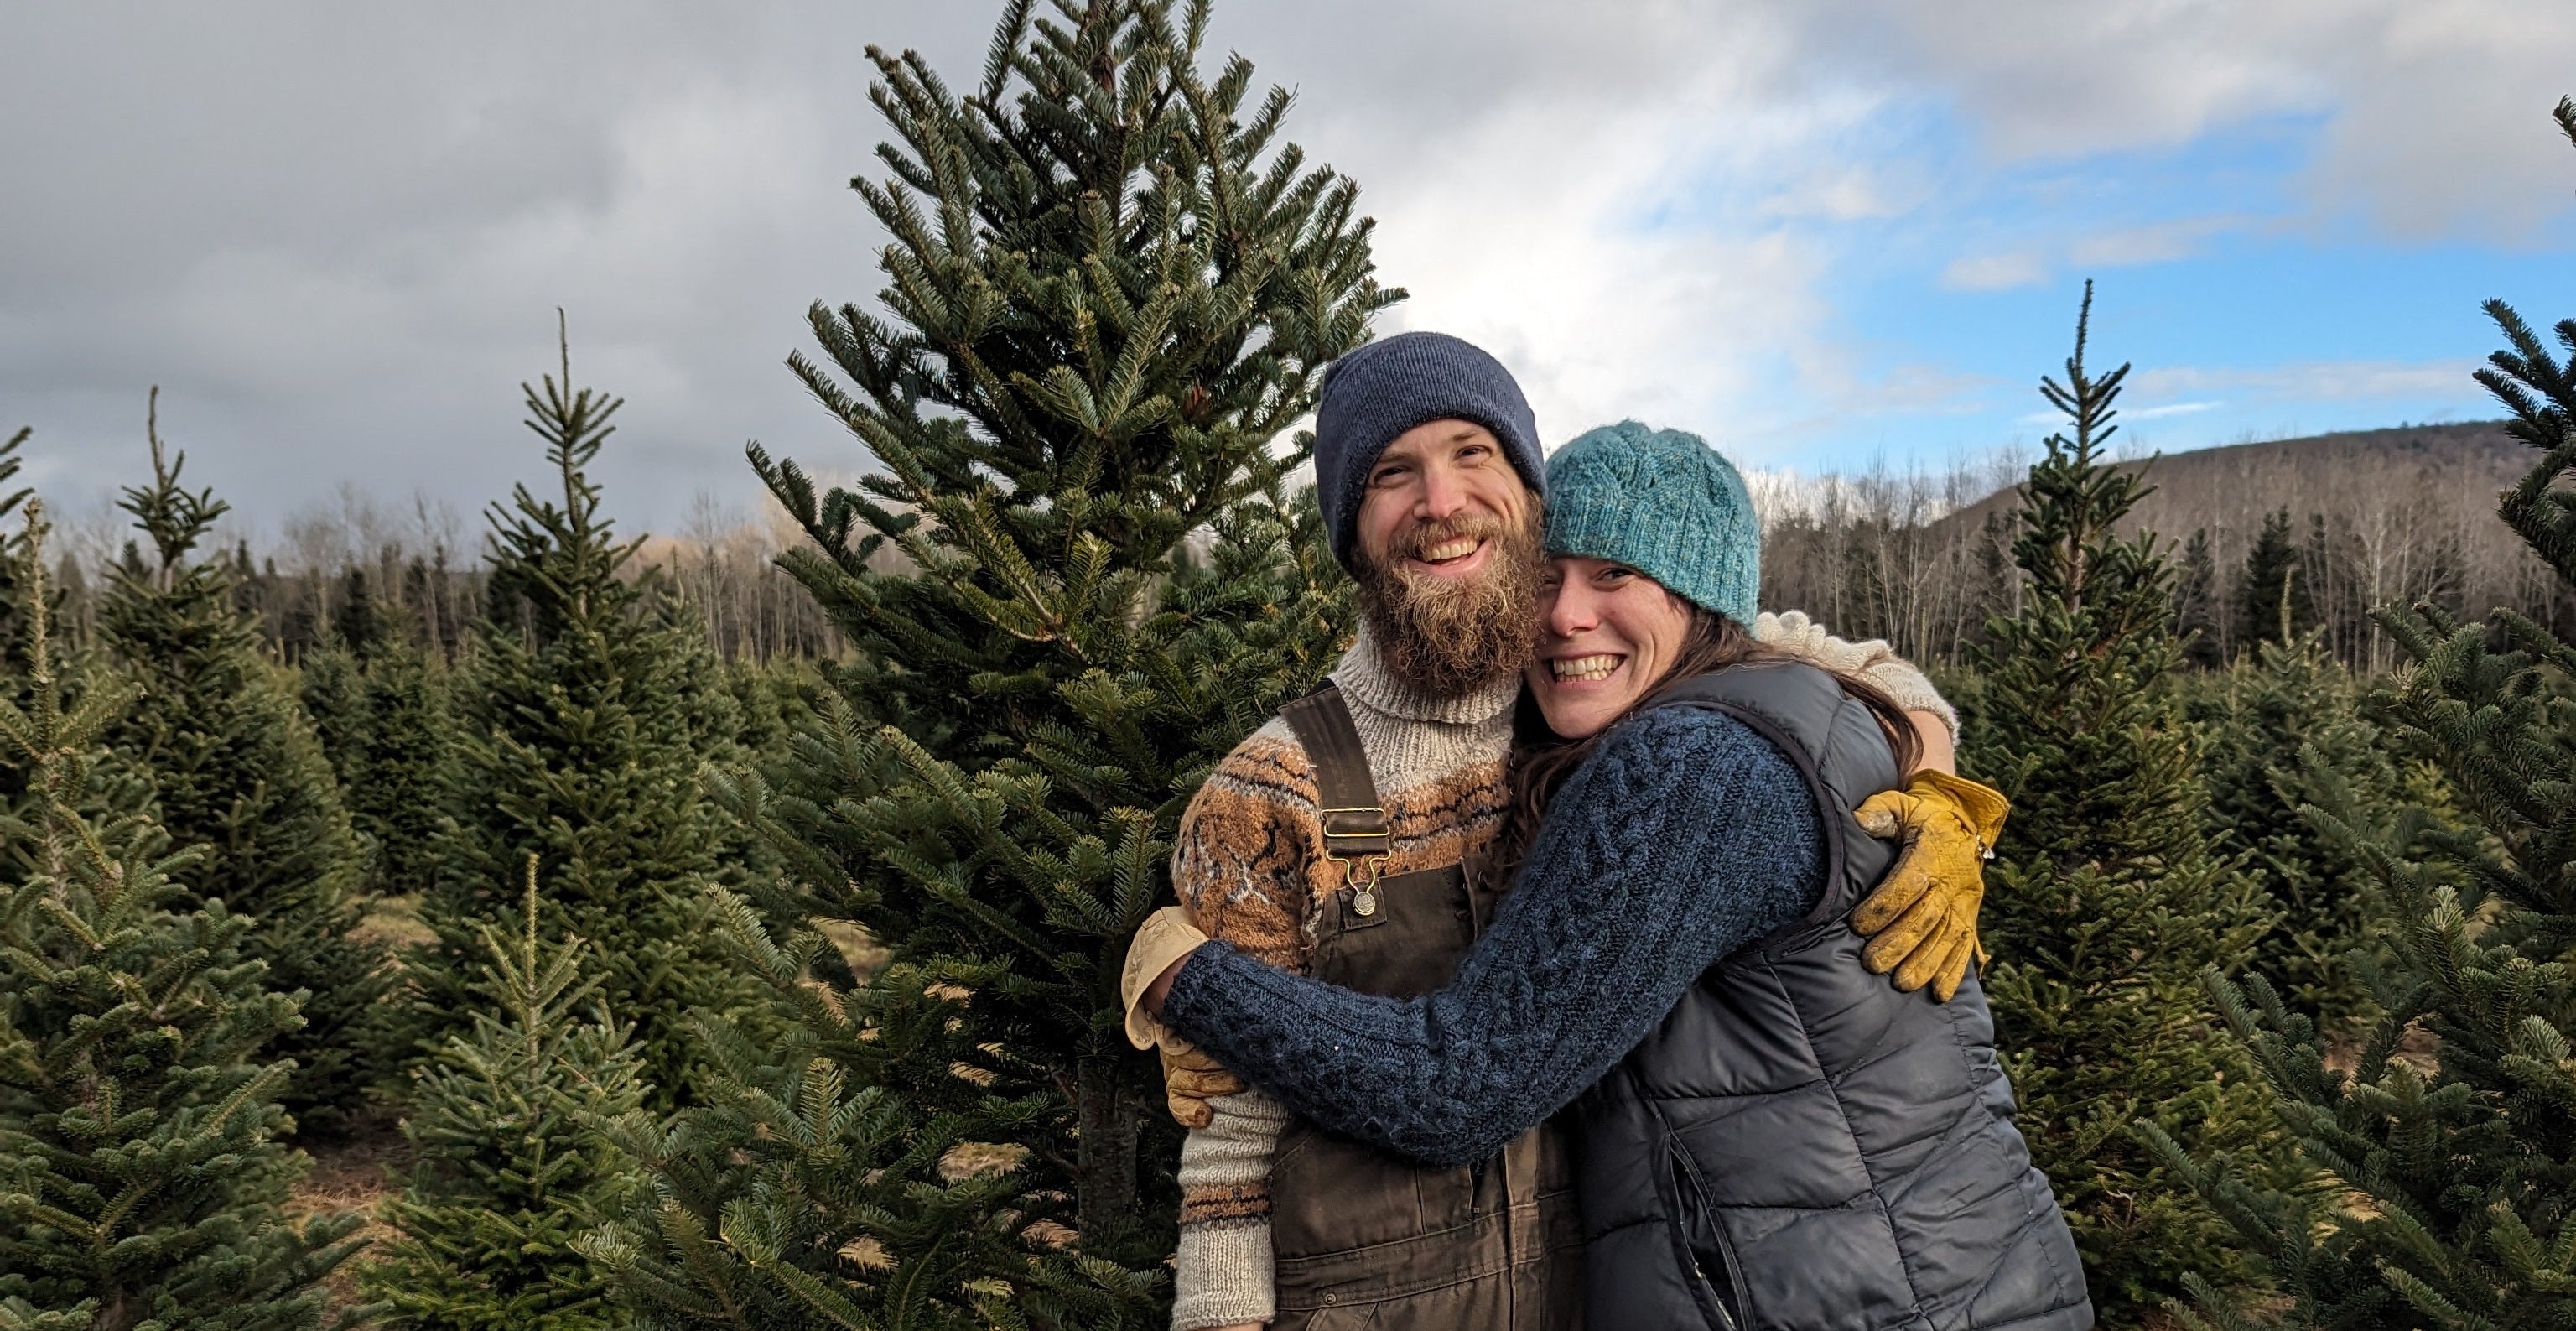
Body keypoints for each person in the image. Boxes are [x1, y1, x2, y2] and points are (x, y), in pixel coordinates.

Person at [1132, 421, 2090, 1331]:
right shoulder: (1787, 700)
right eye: (1542, 577)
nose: (1563, 615)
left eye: (1615, 575)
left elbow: (1459, 1086)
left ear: (1701, 597)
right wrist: (1927, 742)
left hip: (1854, 1295)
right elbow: (1841, 655)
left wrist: (1186, 975)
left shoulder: (1689, 765)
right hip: (1943, 1272)